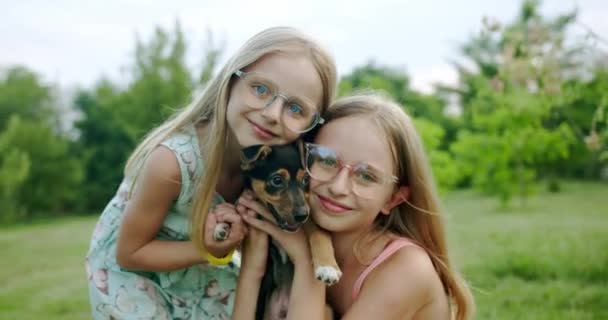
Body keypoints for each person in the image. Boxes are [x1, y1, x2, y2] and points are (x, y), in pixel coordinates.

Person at [85, 26, 337, 319]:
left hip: (201, 275)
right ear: (231, 82)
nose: (271, 114)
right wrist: (209, 250)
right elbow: (129, 253)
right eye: (260, 89)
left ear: (312, 125)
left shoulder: (272, 165)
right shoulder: (171, 163)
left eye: (295, 108)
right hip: (135, 280)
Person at [234, 93, 475, 320]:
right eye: (327, 160)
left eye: (366, 176)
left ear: (393, 199)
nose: (338, 187)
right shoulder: (294, 234)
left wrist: (306, 259)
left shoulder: (406, 270)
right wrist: (253, 268)